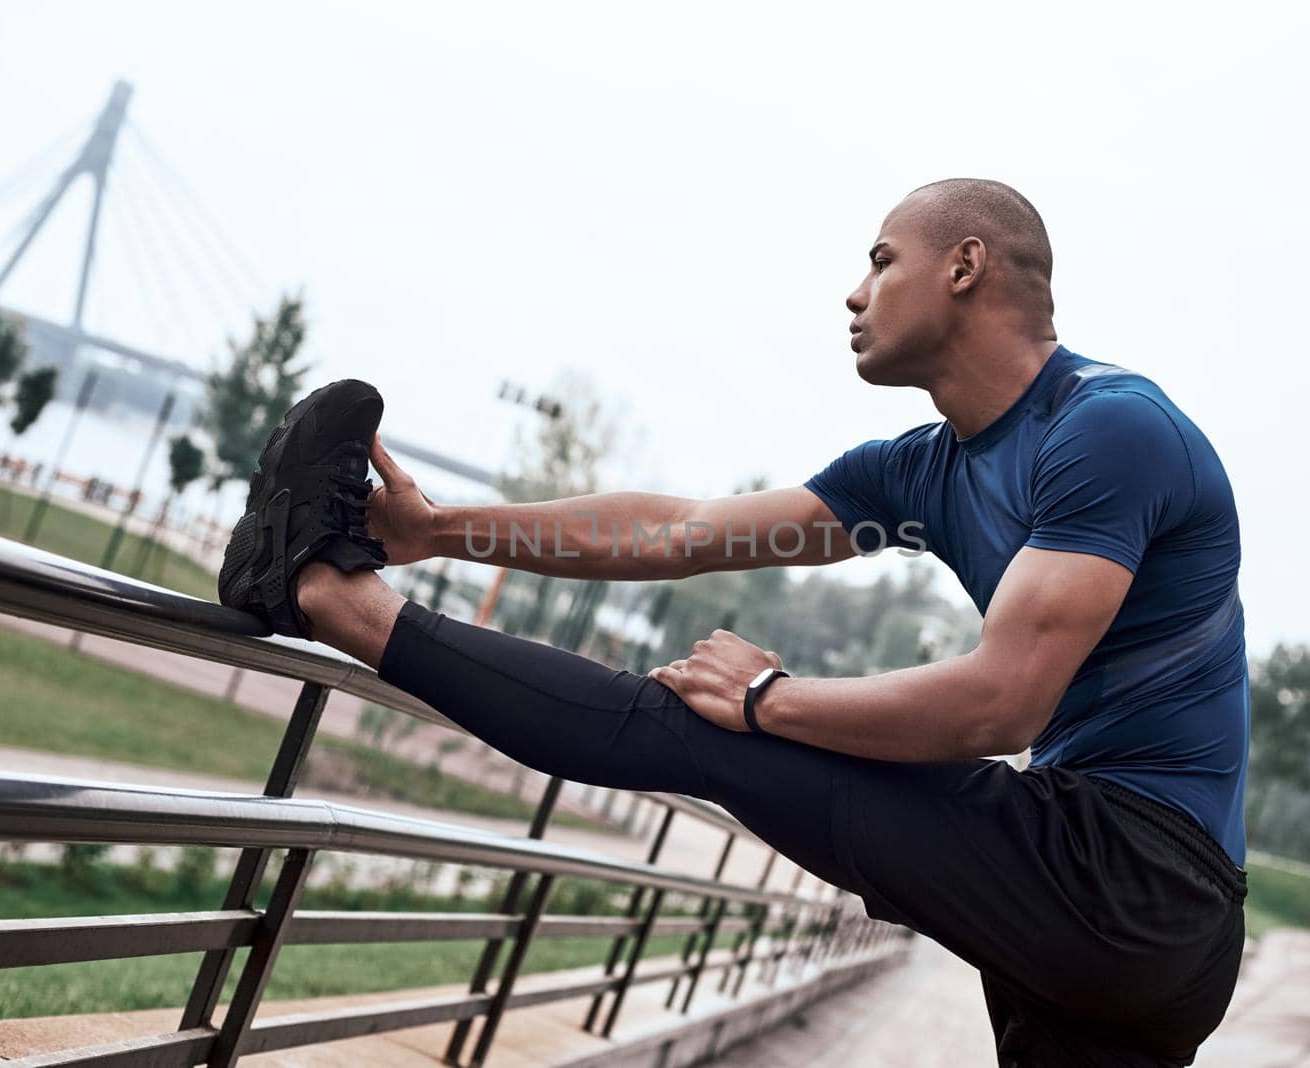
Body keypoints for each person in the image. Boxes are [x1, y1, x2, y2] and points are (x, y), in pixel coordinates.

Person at [218, 178, 1248, 1066]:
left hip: (1130, 878)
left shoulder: (1107, 431)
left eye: (882, 260)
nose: (853, 292)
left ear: (965, 266)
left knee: (697, 727)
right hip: (1107, 925)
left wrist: (767, 700)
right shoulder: (917, 475)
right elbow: (678, 535)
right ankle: (374, 574)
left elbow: (998, 705)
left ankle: (330, 600)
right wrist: (439, 529)